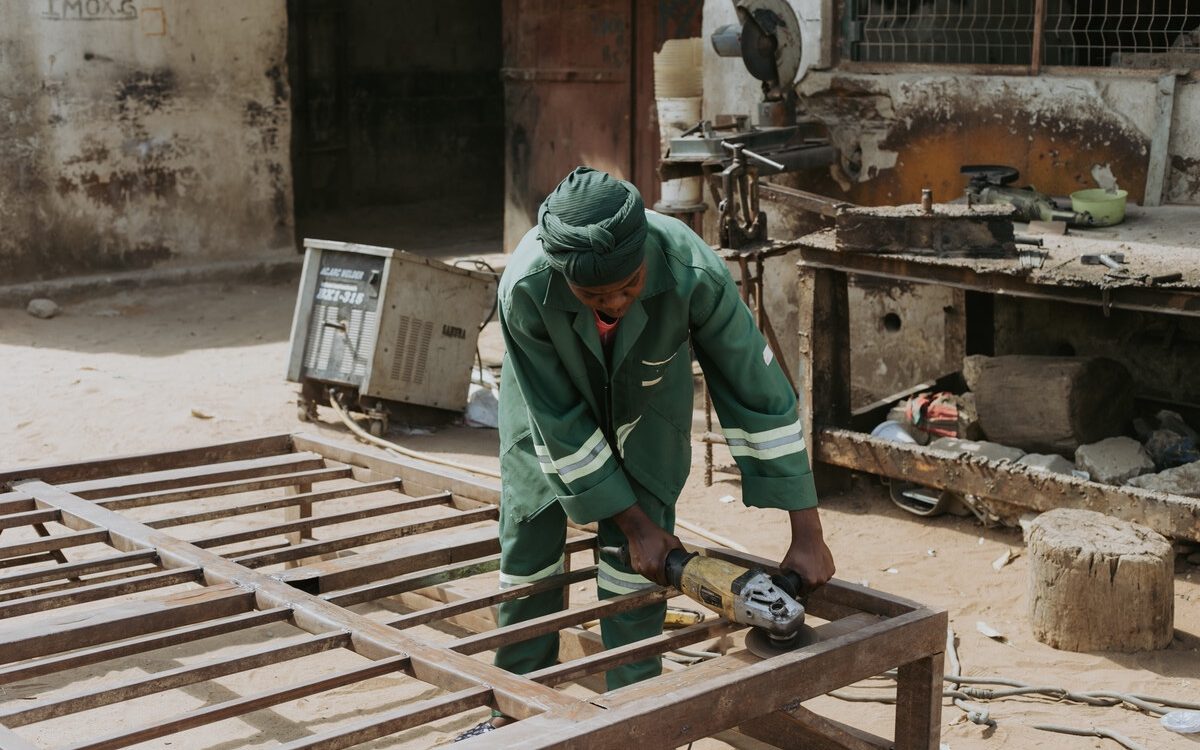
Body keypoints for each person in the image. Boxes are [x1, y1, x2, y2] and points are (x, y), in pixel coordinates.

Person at [454, 166, 835, 740]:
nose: (614, 303)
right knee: (531, 551)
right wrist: (633, 526)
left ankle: (638, 721)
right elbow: (558, 421)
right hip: (544, 412)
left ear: (646, 260)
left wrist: (807, 533)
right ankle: (517, 714)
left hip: (646, 404)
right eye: (593, 295)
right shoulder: (527, 286)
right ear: (563, 277)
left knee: (638, 576)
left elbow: (759, 394)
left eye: (629, 285)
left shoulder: (690, 268)